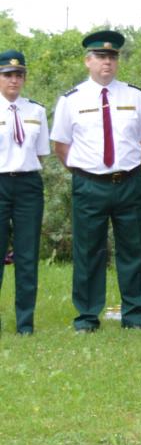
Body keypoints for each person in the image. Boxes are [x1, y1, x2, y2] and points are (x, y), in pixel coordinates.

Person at [51, 30, 141, 331]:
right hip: (89, 185)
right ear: (88, 61)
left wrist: (132, 162)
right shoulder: (71, 100)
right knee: (88, 252)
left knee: (133, 250)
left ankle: (135, 316)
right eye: (100, 57)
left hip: (128, 183)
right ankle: (87, 317)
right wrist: (84, 171)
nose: (107, 62)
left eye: (112, 57)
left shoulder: (135, 96)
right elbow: (61, 145)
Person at [0, 49, 49, 334]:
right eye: (7, 75)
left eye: (19, 75)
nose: (14, 81)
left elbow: (41, 153)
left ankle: (25, 323)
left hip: (28, 185)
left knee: (27, 254)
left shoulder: (36, 111)